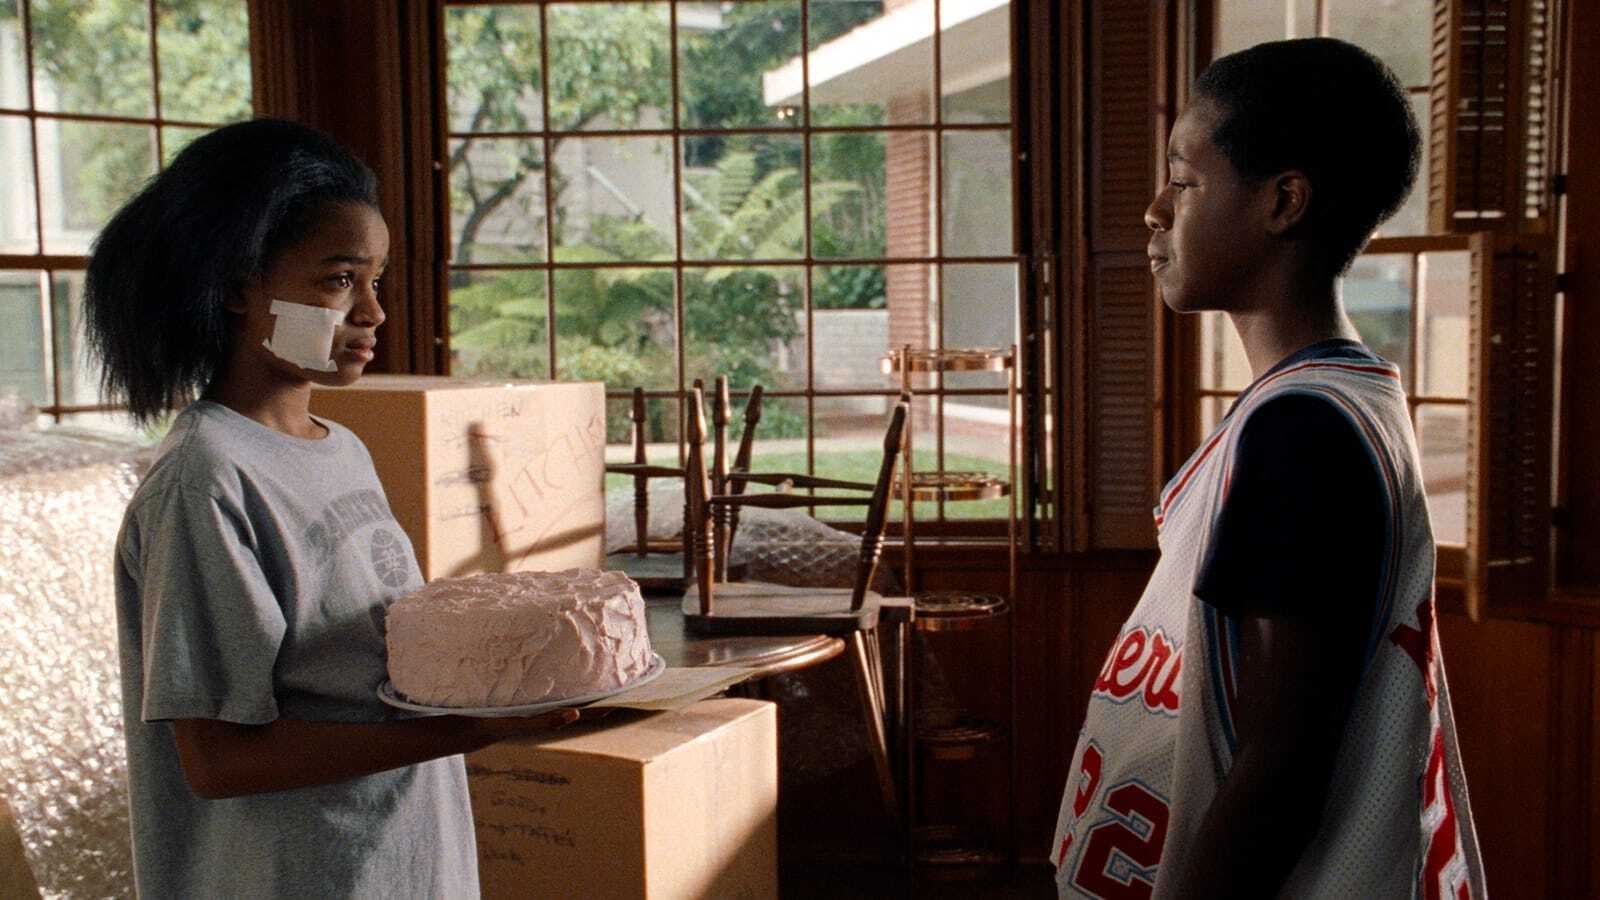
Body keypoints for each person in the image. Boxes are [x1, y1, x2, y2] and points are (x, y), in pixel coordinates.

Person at [87, 119, 576, 899]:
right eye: (340, 280)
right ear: (240, 288)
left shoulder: (340, 448)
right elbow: (218, 760)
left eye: (377, 281)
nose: (373, 312)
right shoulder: (205, 480)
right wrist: (473, 731)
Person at [1051, 39, 1485, 898]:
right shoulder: (1326, 402)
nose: (1153, 211)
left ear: (1284, 202)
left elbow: (1280, 772)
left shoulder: (1305, 430)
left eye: (1183, 182)